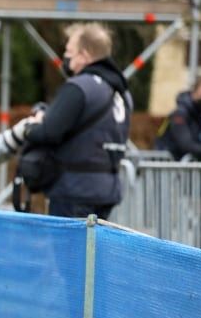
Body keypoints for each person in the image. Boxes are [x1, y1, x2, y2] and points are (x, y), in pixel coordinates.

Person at [17, 22, 133, 220]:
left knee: (69, 251)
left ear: (84, 55)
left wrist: (29, 128)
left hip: (74, 190)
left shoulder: (79, 87)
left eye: (69, 51)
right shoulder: (121, 92)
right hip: (107, 189)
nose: (66, 56)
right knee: (94, 250)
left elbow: (49, 132)